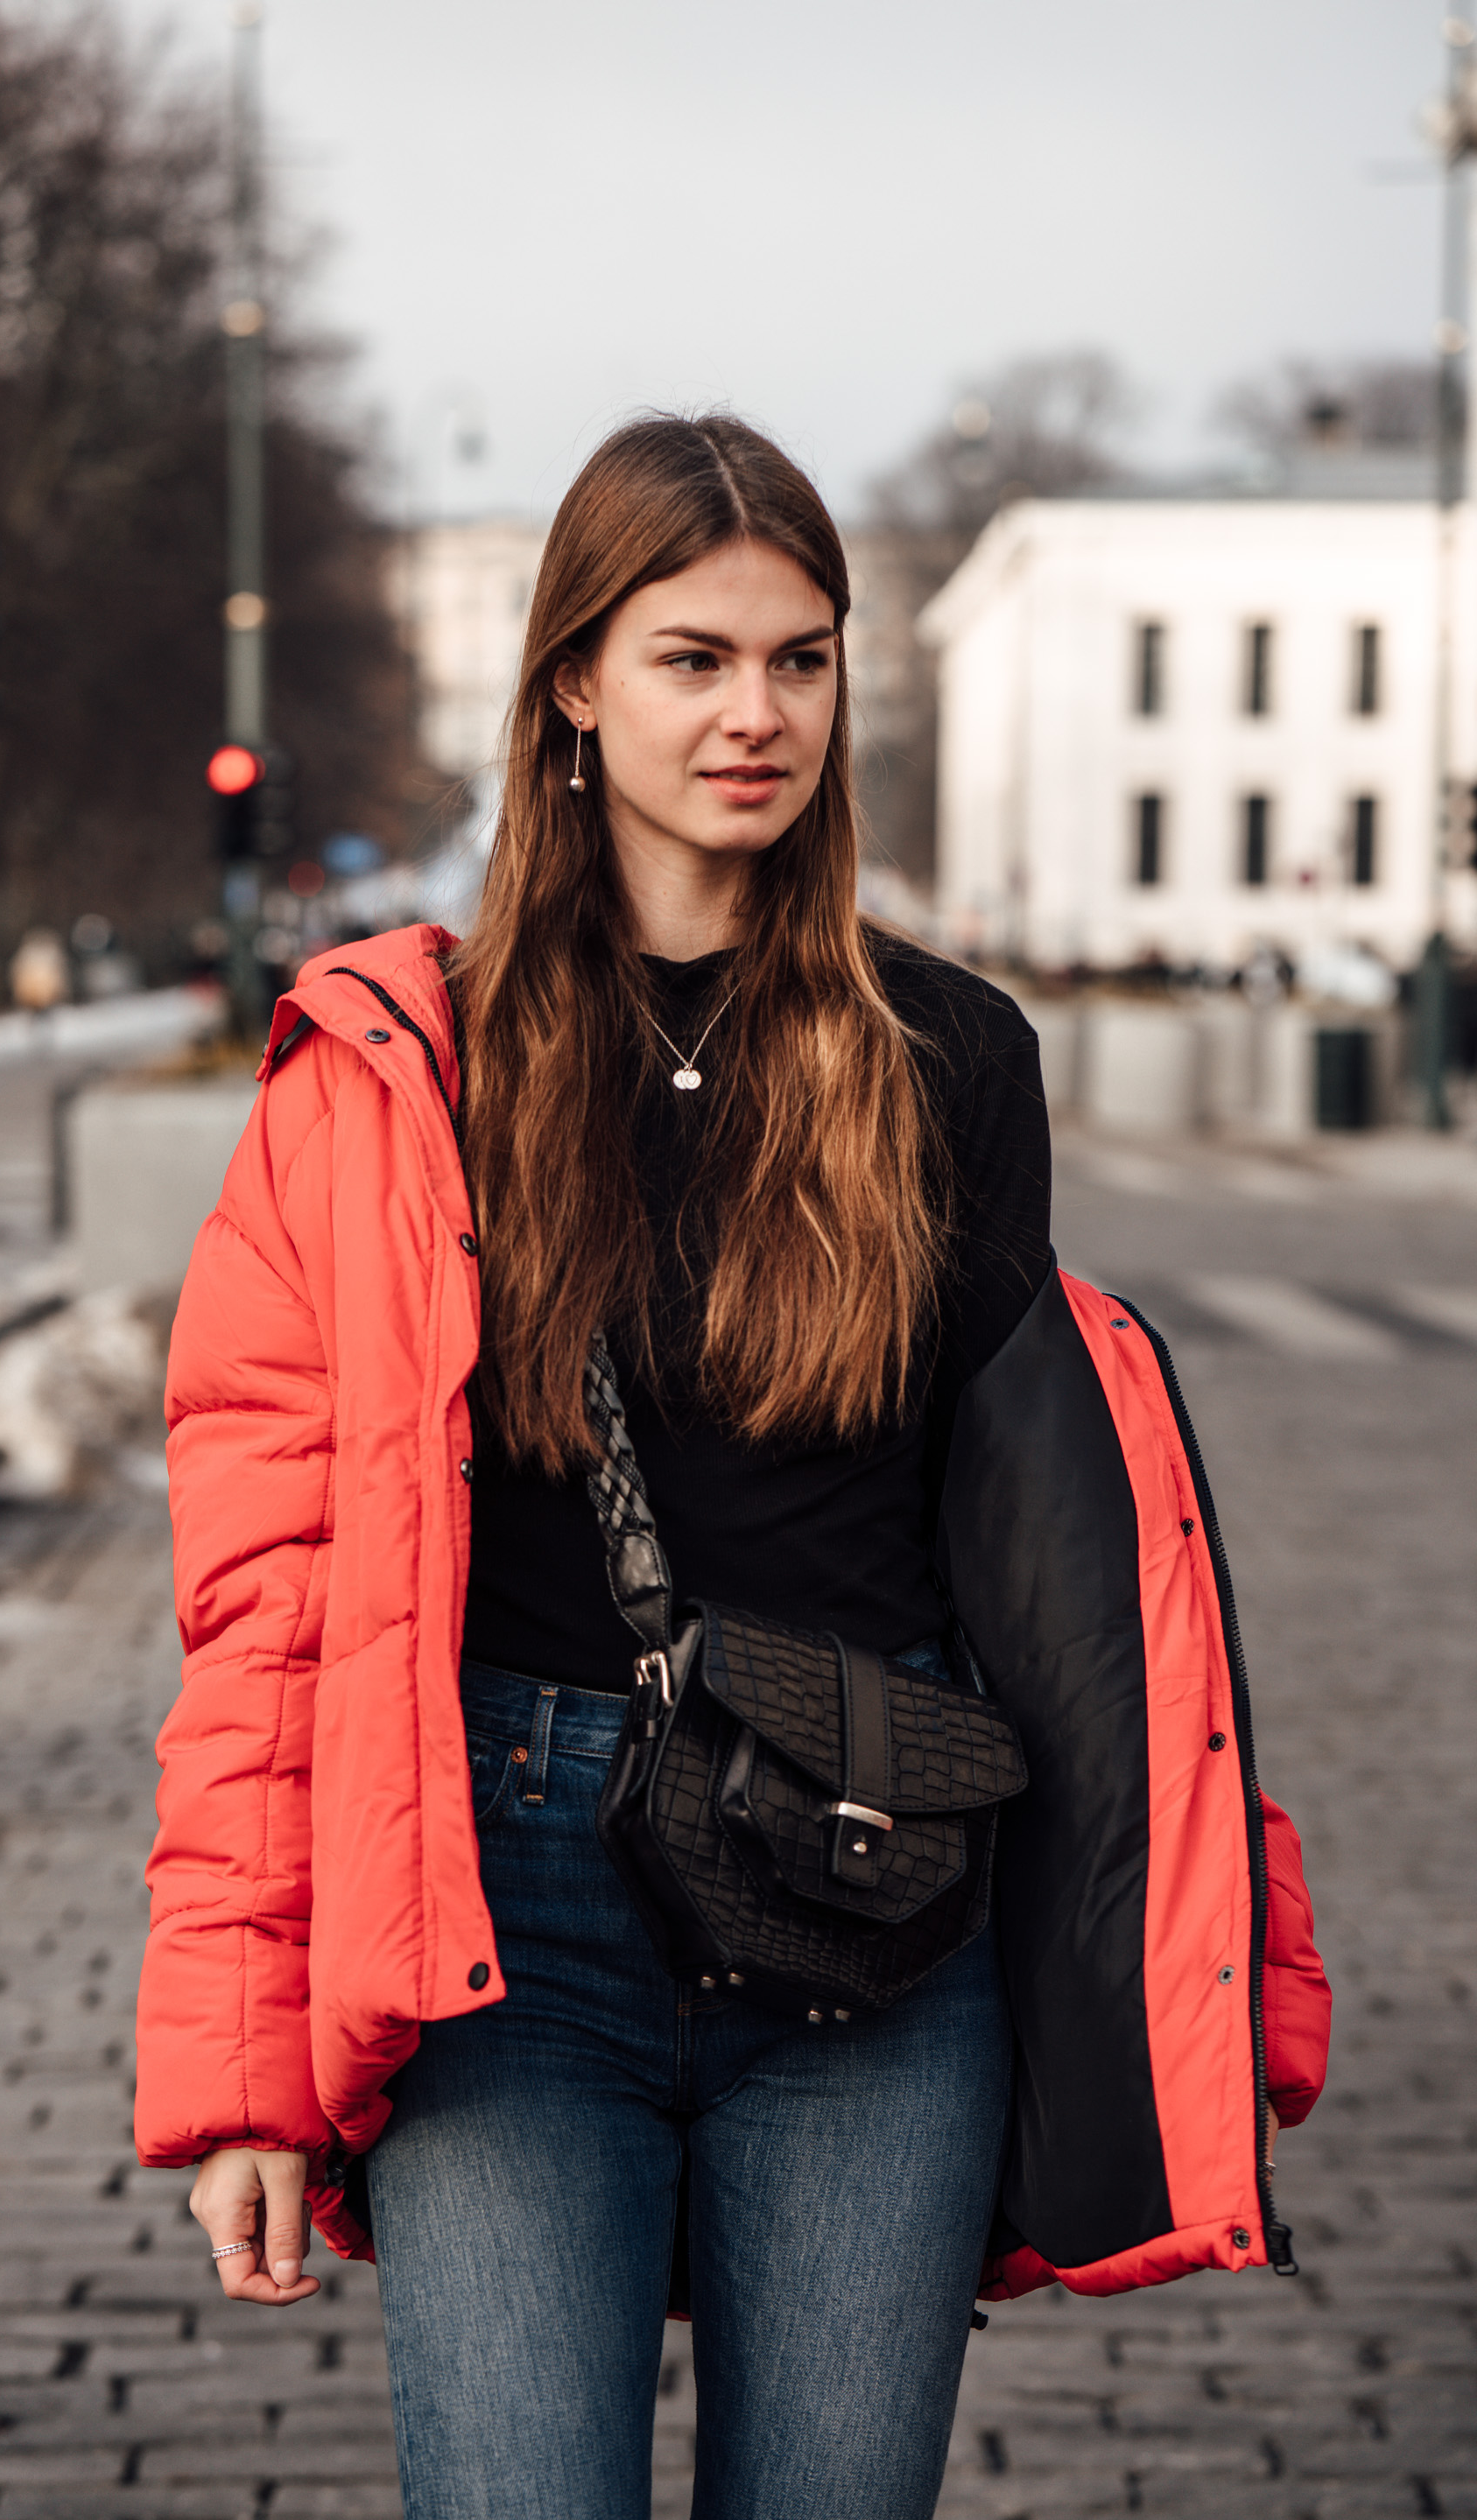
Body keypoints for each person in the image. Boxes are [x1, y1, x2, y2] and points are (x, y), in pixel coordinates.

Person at [135, 415, 1331, 2520]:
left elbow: (1063, 1568)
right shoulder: (404, 1066)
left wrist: (1202, 1956)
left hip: (876, 1896)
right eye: (694, 658)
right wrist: (240, 2069)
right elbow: (272, 1592)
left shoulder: (948, 1057)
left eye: (803, 656)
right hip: (501, 1919)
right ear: (575, 685)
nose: (757, 713)